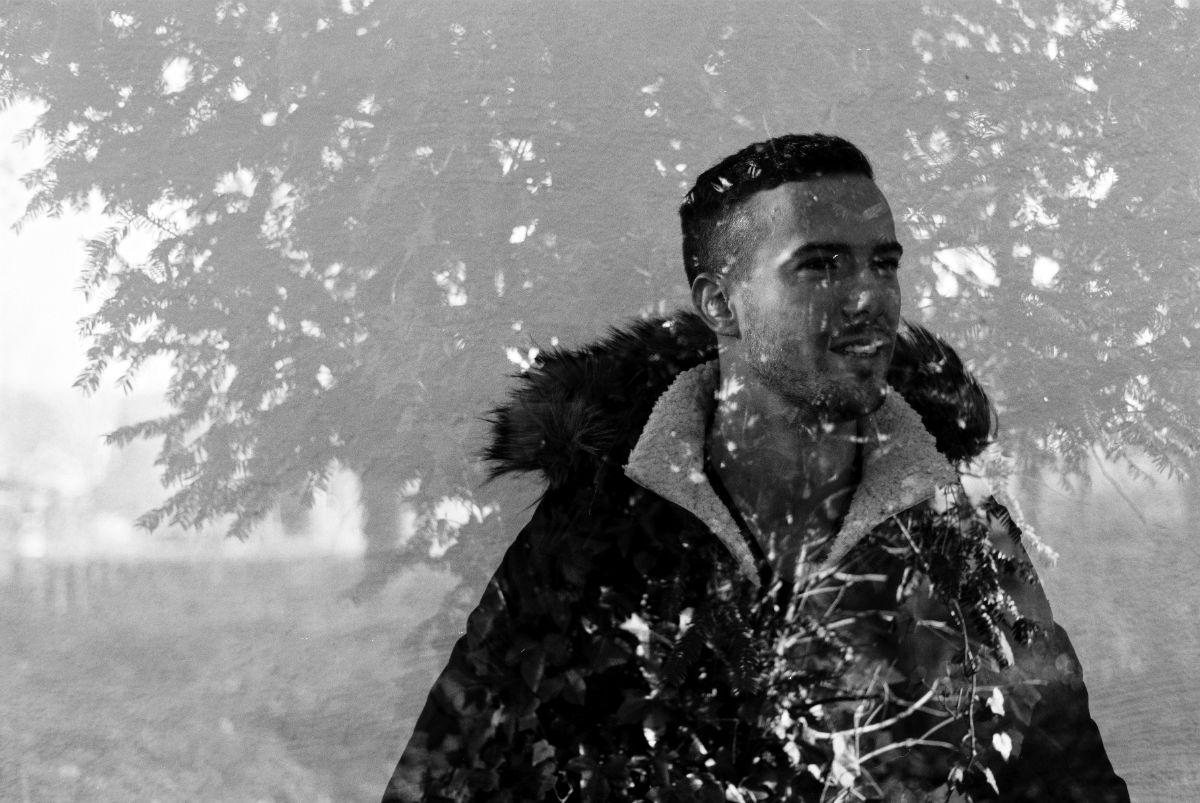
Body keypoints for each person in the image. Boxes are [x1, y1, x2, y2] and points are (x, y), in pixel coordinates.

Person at [382, 134, 1129, 801]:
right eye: (821, 266)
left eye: (883, 263)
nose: (871, 297)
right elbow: (447, 775)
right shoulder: (592, 536)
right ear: (722, 303)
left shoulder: (959, 528)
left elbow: (1069, 778)